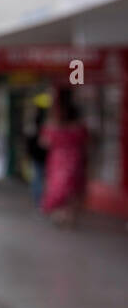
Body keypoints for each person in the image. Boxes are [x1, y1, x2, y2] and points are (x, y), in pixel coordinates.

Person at [40, 89, 89, 228]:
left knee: (58, 186)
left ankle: (61, 214)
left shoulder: (52, 126)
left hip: (58, 159)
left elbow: (44, 143)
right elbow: (87, 140)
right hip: (76, 159)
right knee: (73, 189)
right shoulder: (79, 127)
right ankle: (70, 215)